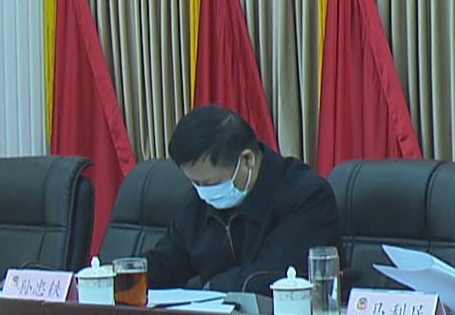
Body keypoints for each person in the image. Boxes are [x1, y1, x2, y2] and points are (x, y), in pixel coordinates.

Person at [146, 105, 341, 296]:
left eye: (211, 183)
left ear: (247, 160)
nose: (204, 193)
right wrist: (132, 276)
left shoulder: (306, 195)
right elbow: (167, 262)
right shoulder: (197, 201)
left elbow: (274, 276)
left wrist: (208, 289)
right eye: (195, 183)